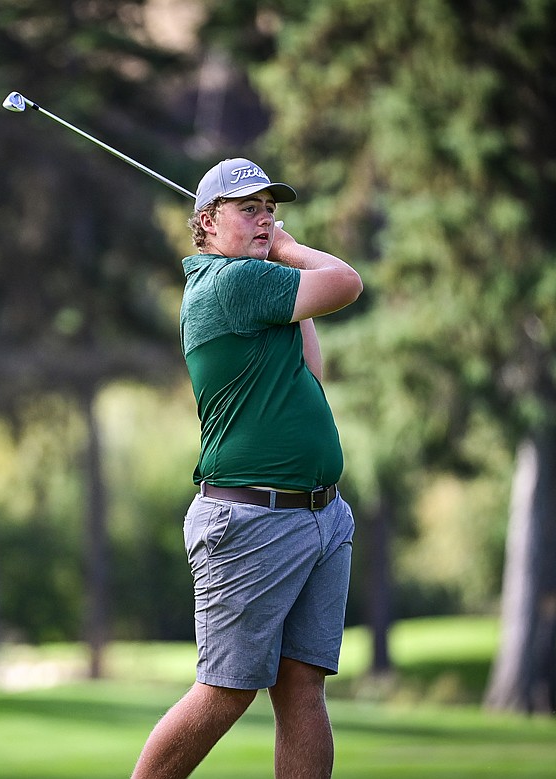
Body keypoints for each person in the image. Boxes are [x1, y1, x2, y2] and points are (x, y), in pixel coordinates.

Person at [131, 158, 363, 779]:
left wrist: (282, 267)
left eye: (271, 211)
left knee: (301, 684)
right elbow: (345, 281)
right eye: (248, 210)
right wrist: (290, 249)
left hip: (319, 515)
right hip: (251, 520)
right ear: (206, 222)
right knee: (226, 689)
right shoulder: (230, 284)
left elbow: (311, 378)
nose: (265, 221)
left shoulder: (257, 295)